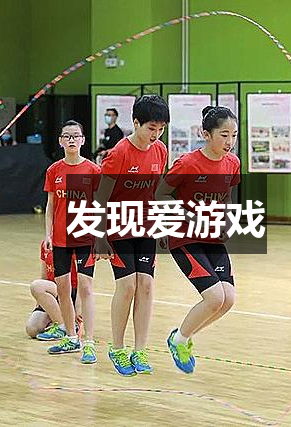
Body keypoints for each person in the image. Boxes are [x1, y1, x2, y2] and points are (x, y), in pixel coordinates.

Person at [155, 106, 240, 374]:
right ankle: (179, 340)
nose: (229, 141)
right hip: (184, 238)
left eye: (234, 135)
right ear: (206, 134)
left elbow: (226, 196)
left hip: (212, 237)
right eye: (224, 135)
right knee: (214, 297)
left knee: (228, 299)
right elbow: (160, 194)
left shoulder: (232, 163)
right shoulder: (188, 163)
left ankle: (182, 335)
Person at [94, 95, 169, 376]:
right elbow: (101, 197)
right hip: (118, 226)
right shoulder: (119, 154)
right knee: (127, 287)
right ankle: (117, 348)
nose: (156, 134)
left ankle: (140, 349)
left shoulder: (160, 150)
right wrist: (100, 236)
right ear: (136, 123)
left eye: (161, 129)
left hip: (146, 226)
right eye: (151, 128)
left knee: (146, 286)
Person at [43, 120, 100, 364]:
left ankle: (89, 343)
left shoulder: (93, 170)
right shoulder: (54, 170)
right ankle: (70, 336)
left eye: (76, 136)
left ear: (83, 140)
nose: (72, 140)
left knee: (86, 288)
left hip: (86, 236)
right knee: (63, 289)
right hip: (60, 240)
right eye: (67, 136)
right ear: (60, 141)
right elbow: (50, 206)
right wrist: (47, 234)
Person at [25, 242, 81, 340]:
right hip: (53, 291)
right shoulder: (46, 244)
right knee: (32, 329)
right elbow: (44, 277)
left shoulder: (71, 243)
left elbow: (81, 278)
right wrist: (40, 302)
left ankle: (64, 327)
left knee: (36, 286)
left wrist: (78, 306)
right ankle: (62, 322)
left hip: (69, 291)